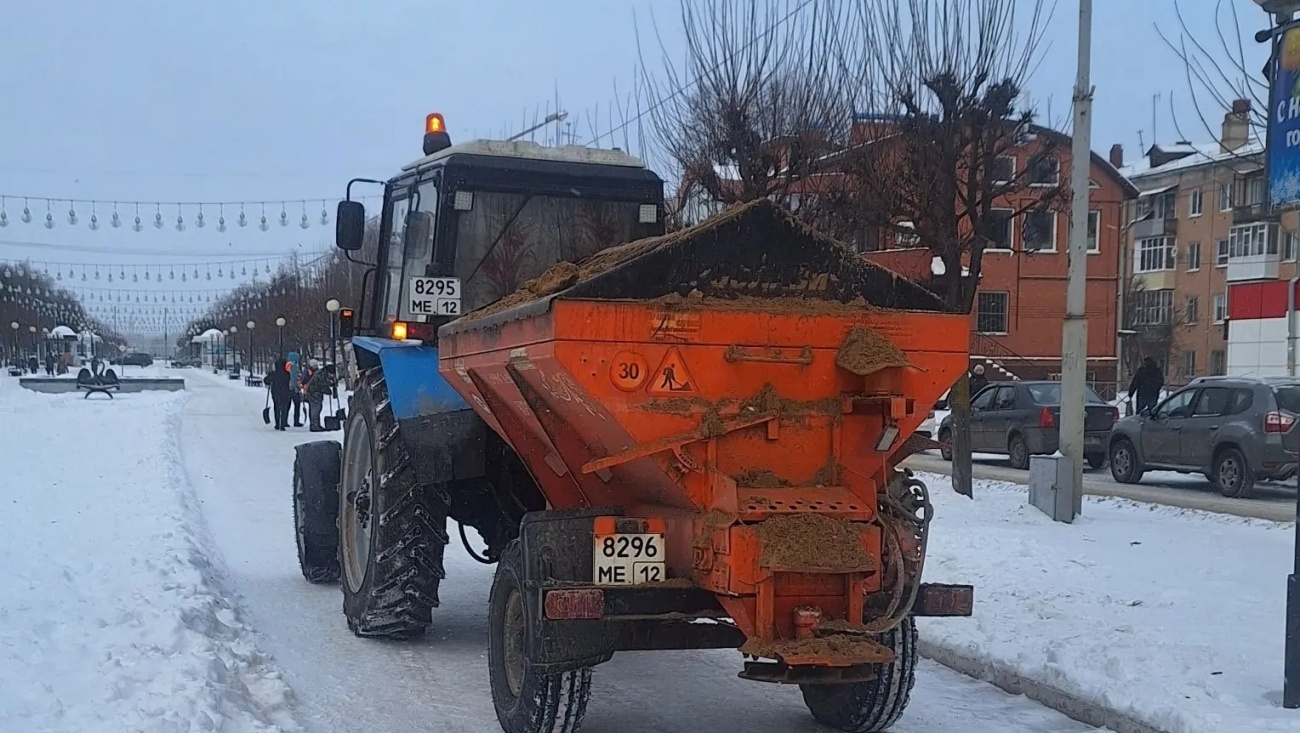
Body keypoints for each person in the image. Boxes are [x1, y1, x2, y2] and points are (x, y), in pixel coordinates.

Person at [304, 358, 334, 432]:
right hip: (314, 394)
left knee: (317, 409)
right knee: (315, 409)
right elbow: (321, 384)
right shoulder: (321, 374)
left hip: (314, 393)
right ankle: (314, 425)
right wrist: (328, 390)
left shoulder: (321, 373)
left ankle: (316, 424)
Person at [263, 358, 293, 431]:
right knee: (284, 408)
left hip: (276, 392)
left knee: (277, 407)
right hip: (285, 392)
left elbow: (266, 381)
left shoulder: (274, 374)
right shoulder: (287, 374)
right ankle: (282, 424)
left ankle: (277, 424)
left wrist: (269, 375)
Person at [286, 351, 304, 427]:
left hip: (286, 388)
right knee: (297, 405)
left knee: (287, 405)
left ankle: (284, 420)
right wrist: (296, 387)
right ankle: (296, 421)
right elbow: (294, 377)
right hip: (293, 389)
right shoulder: (293, 366)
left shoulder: (286, 365)